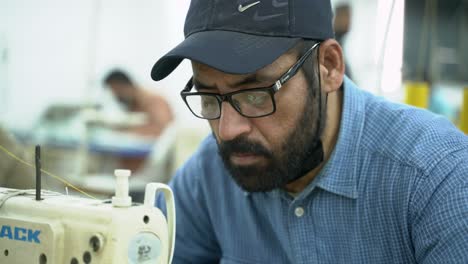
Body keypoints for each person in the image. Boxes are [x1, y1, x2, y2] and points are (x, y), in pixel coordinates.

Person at [152, 0, 468, 263]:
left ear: (329, 66)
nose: (228, 130)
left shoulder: (435, 177)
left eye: (256, 95)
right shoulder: (209, 176)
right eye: (209, 98)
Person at [103, 69, 175, 172]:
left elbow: (161, 130)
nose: (115, 96)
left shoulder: (155, 101)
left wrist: (127, 134)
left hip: (147, 171)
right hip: (130, 169)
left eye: (116, 90)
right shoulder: (133, 105)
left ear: (125, 86)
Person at [333, 3, 353, 79]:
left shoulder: (340, 41)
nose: (349, 22)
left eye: (350, 18)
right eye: (346, 16)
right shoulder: (331, 43)